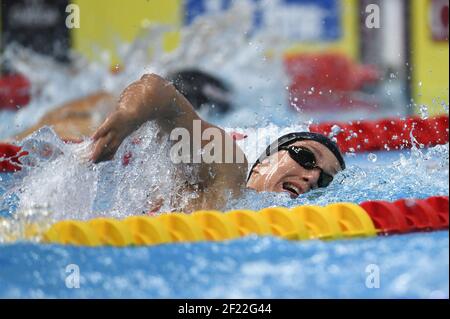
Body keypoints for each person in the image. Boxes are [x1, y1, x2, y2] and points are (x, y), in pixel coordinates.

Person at [88, 73, 346, 211]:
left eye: (325, 179)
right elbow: (157, 91)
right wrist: (127, 115)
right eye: (305, 156)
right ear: (263, 162)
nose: (312, 178)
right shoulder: (228, 170)